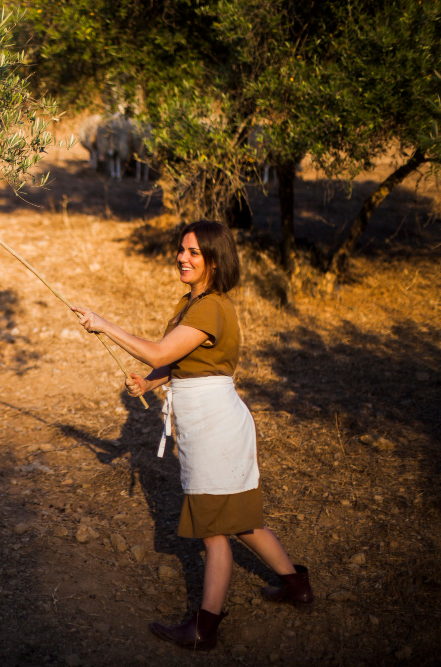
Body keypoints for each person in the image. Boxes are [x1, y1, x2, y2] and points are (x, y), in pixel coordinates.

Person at [72, 220, 313, 651]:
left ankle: (205, 628)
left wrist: (105, 325)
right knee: (241, 520)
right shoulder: (194, 304)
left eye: (194, 252)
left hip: (215, 427)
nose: (183, 257)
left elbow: (162, 350)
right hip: (212, 424)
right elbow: (177, 361)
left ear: (215, 262)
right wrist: (149, 383)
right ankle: (297, 586)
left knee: (214, 531)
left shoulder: (209, 307)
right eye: (182, 249)